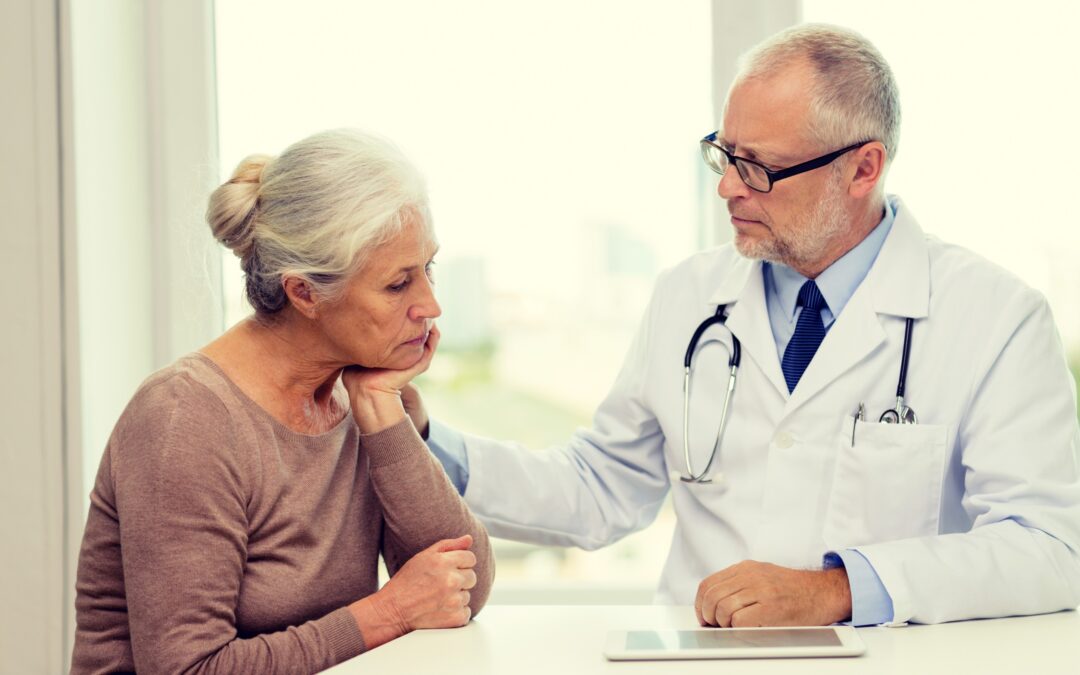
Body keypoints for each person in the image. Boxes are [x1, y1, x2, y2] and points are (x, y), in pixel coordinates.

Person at [415, 24, 1080, 627]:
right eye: (723, 154)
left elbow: (1048, 547)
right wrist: (419, 439)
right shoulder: (688, 295)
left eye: (758, 167)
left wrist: (837, 589)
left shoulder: (996, 317)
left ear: (863, 168)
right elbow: (597, 488)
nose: (728, 187)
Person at [71, 129, 493, 674]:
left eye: (428, 269)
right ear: (304, 293)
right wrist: (386, 613)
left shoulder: (368, 393)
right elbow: (187, 669)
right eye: (397, 285)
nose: (430, 306)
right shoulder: (185, 419)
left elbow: (464, 588)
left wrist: (385, 413)